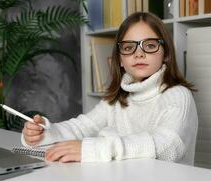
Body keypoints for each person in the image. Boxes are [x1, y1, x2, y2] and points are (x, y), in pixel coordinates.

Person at [21, 12, 198, 165]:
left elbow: (168, 146)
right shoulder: (116, 99)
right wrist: (45, 133)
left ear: (166, 54)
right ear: (120, 59)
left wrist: (93, 149)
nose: (139, 53)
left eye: (150, 45)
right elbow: (81, 127)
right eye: (129, 47)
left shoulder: (178, 95)